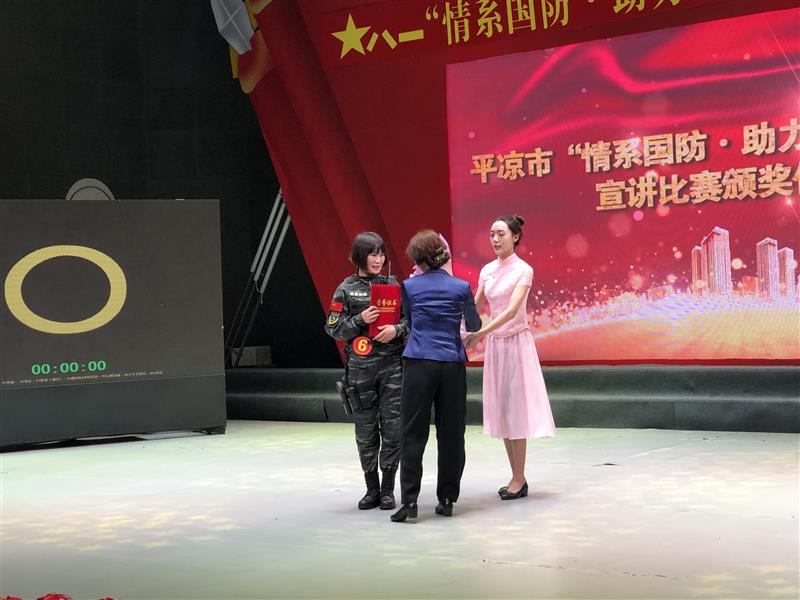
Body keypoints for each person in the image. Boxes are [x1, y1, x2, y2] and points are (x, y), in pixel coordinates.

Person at [391, 230, 481, 522]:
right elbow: (475, 324)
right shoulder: (461, 286)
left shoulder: (408, 286)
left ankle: (410, 502)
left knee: (412, 432)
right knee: (452, 432)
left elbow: (411, 320)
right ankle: (447, 499)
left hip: (419, 361)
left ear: (418, 259)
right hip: (452, 364)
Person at [464, 215, 555, 500]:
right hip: (496, 346)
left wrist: (481, 333)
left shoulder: (523, 270)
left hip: (516, 344)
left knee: (516, 408)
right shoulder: (487, 270)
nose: (495, 239)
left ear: (515, 237)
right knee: (503, 408)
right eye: (492, 234)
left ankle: (519, 477)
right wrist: (460, 327)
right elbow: (475, 305)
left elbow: (512, 310)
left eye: (501, 234)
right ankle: (517, 476)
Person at [325, 232, 409, 511]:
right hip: (360, 371)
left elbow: (411, 321)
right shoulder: (346, 288)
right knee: (366, 430)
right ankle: (371, 488)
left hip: (392, 368)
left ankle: (388, 489)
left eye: (381, 254)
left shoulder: (393, 286)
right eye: (373, 253)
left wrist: (396, 329)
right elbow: (333, 328)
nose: (378, 259)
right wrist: (359, 320)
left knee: (393, 428)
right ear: (360, 256)